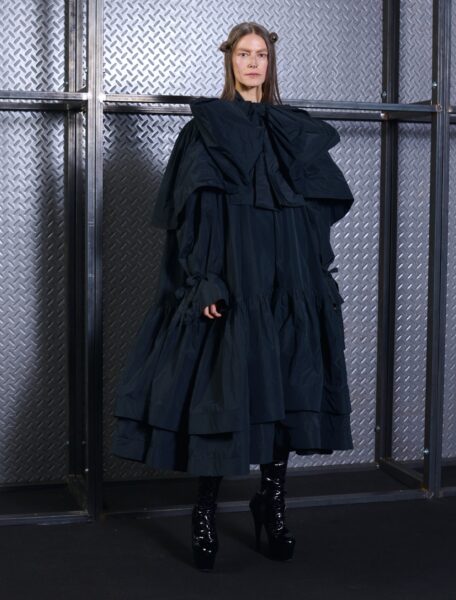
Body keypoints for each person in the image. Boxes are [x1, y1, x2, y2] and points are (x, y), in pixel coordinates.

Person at [111, 21, 355, 571]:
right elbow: (194, 213)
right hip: (237, 279)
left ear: (270, 62)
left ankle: (272, 501)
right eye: (244, 54)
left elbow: (316, 213)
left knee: (285, 386)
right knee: (222, 392)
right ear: (230, 60)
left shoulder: (294, 130)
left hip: (289, 281)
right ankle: (203, 510)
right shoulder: (206, 130)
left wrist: (315, 276)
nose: (252, 63)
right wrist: (207, 279)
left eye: (260, 54)